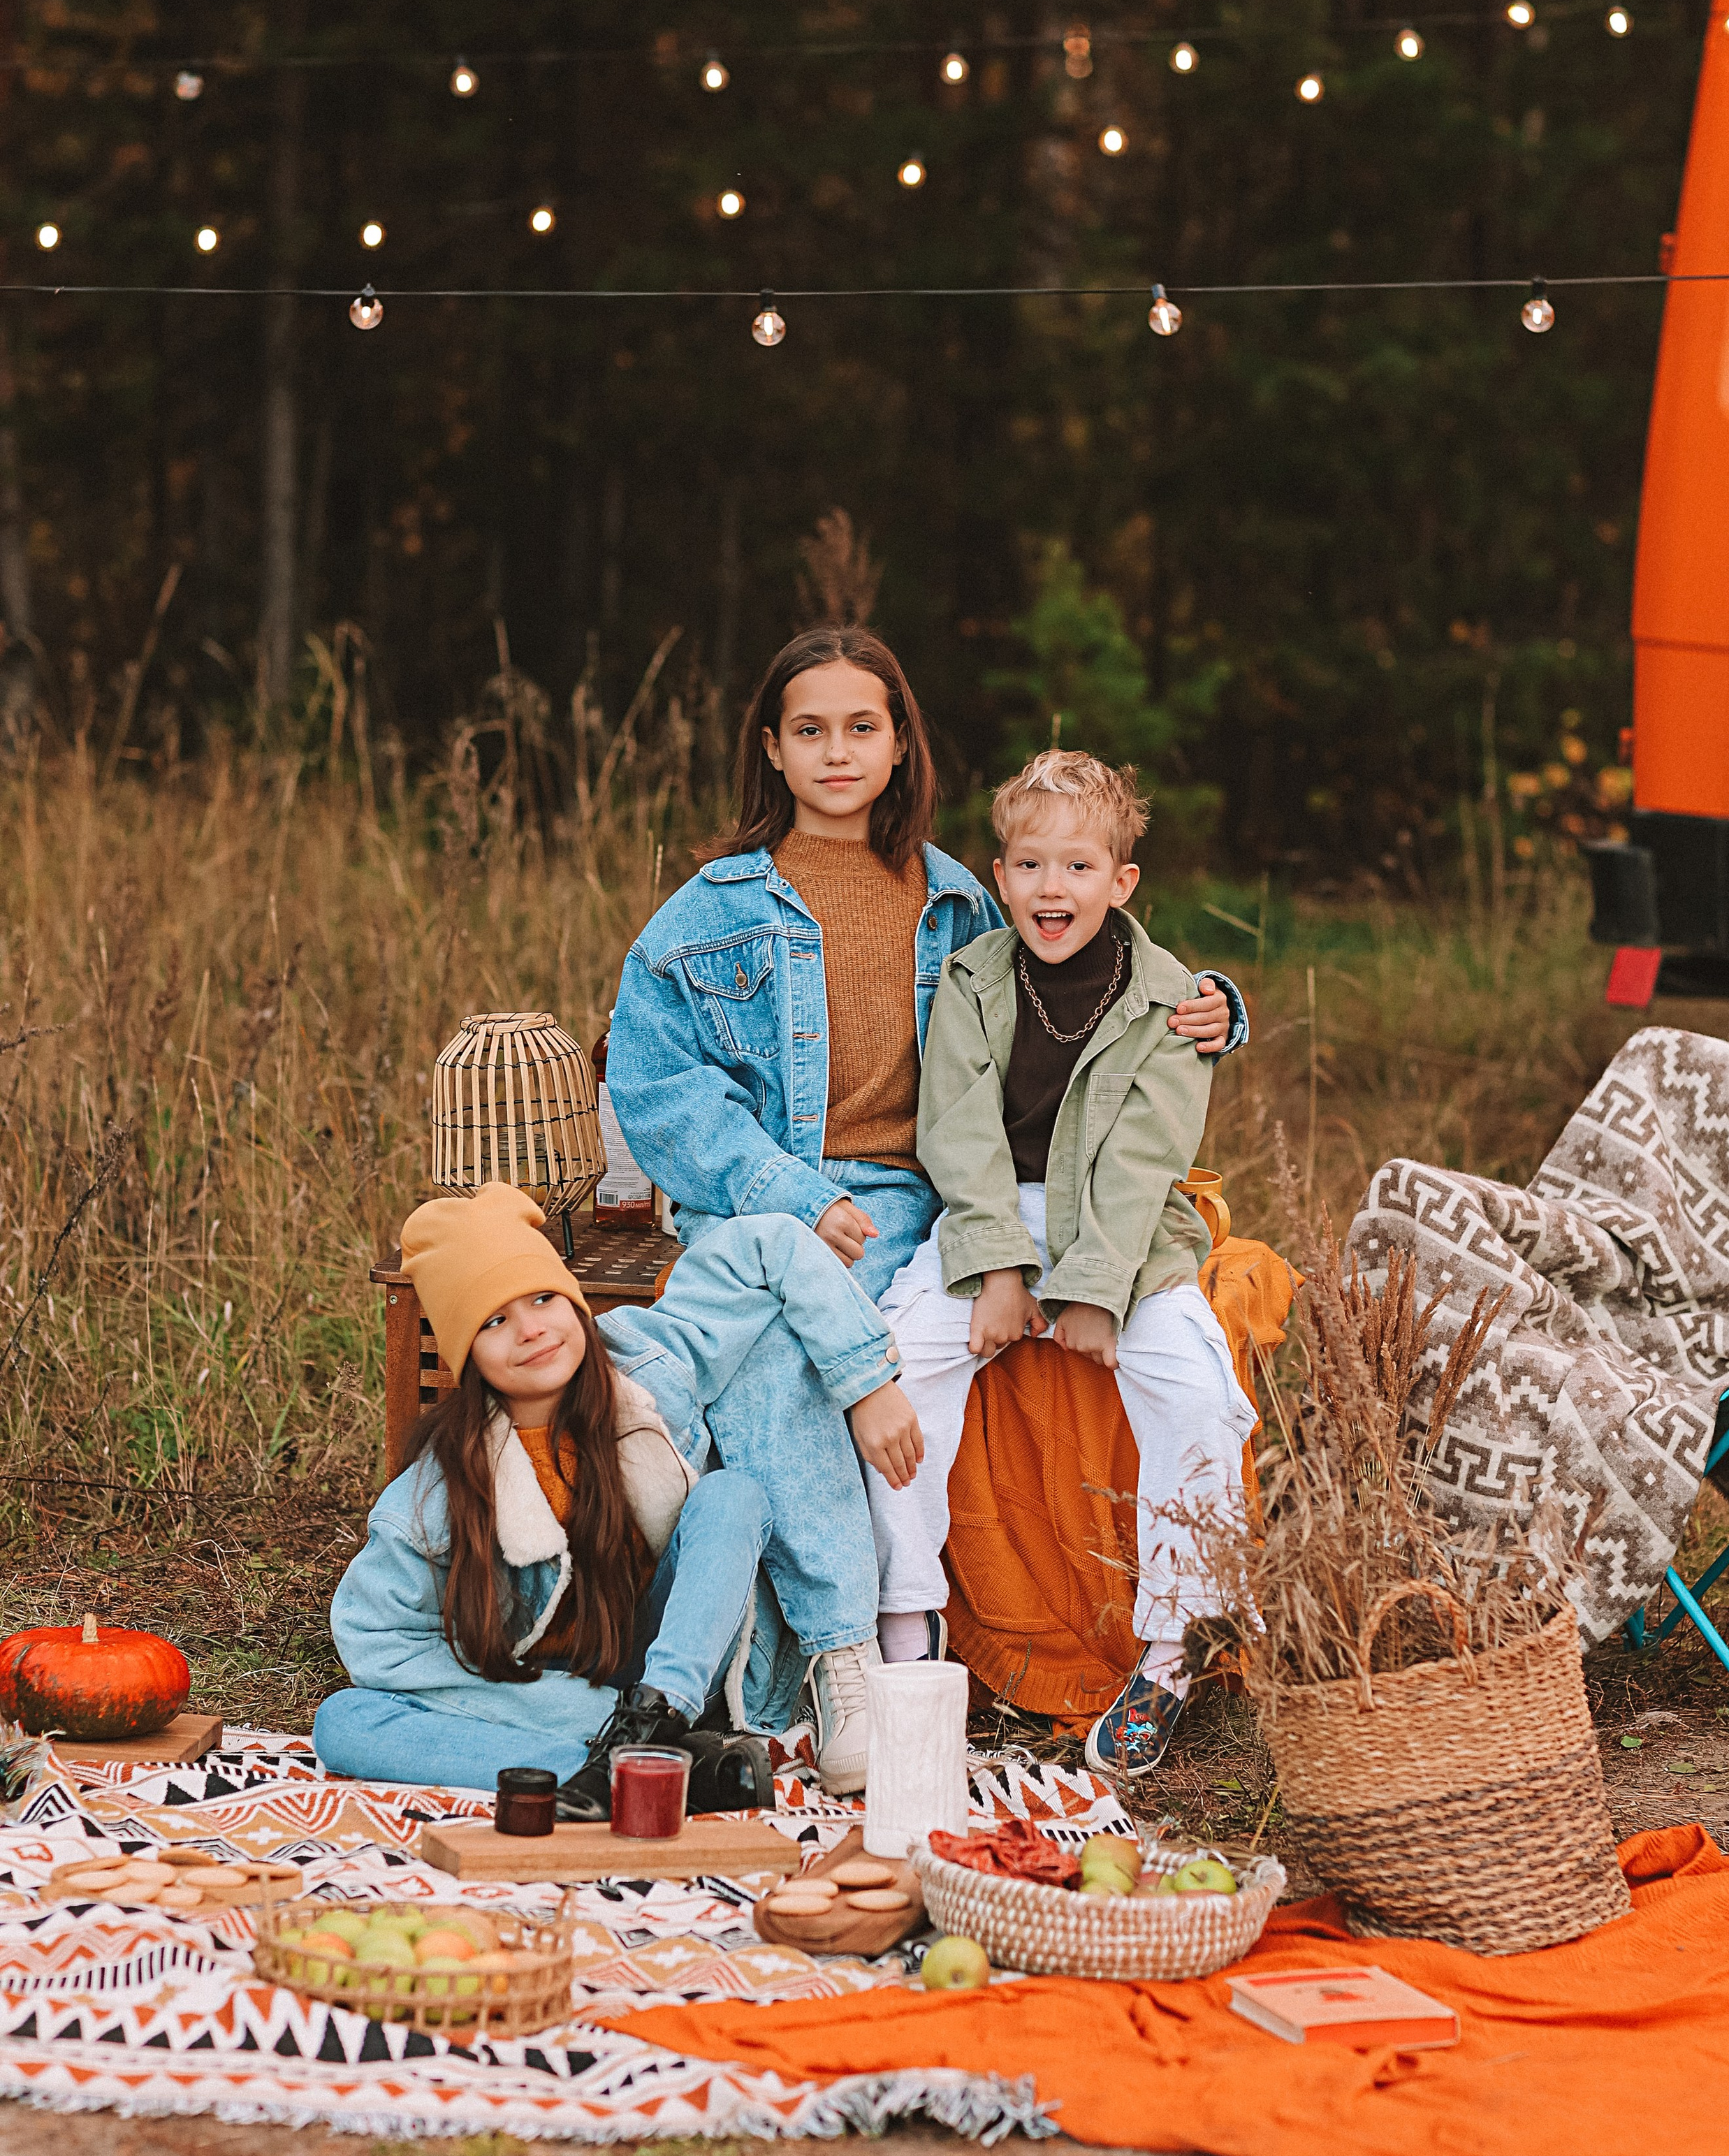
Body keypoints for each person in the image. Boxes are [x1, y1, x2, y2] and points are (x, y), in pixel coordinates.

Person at [606, 625, 1244, 1756]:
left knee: (834, 1365)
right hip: (778, 1202)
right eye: (811, 731)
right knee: (776, 1347)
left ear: (901, 745)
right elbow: (657, 1082)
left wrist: (1216, 1008)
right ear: (771, 749)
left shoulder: (957, 900)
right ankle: (827, 1639)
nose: (838, 753)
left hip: (912, 1197)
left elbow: (1098, 959)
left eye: (864, 728)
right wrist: (787, 1191)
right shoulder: (714, 907)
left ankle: (848, 1663)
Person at [877, 748, 1259, 1779]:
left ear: (1121, 881)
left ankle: (1171, 1649)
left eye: (1080, 868)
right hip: (992, 1214)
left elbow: (1148, 1155)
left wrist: (1090, 1293)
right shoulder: (971, 982)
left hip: (1123, 1232)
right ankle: (909, 1628)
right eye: (1033, 867)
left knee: (1195, 1384)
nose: (1055, 890)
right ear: (998, 878)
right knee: (901, 1369)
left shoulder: (1173, 999)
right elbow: (958, 1130)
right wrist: (1000, 1271)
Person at [314, 1181, 913, 1809]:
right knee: (345, 1721)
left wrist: (868, 1381)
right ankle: (643, 1771)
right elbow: (376, 1640)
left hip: (676, 1670)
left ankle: (657, 1728)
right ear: (468, 1355)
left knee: (731, 1495)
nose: (531, 1331)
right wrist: (578, 1710)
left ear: (572, 1301)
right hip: (557, 1701)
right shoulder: (442, 1488)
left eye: (544, 1298)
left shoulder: (648, 1365)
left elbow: (767, 1244)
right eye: (494, 1320)